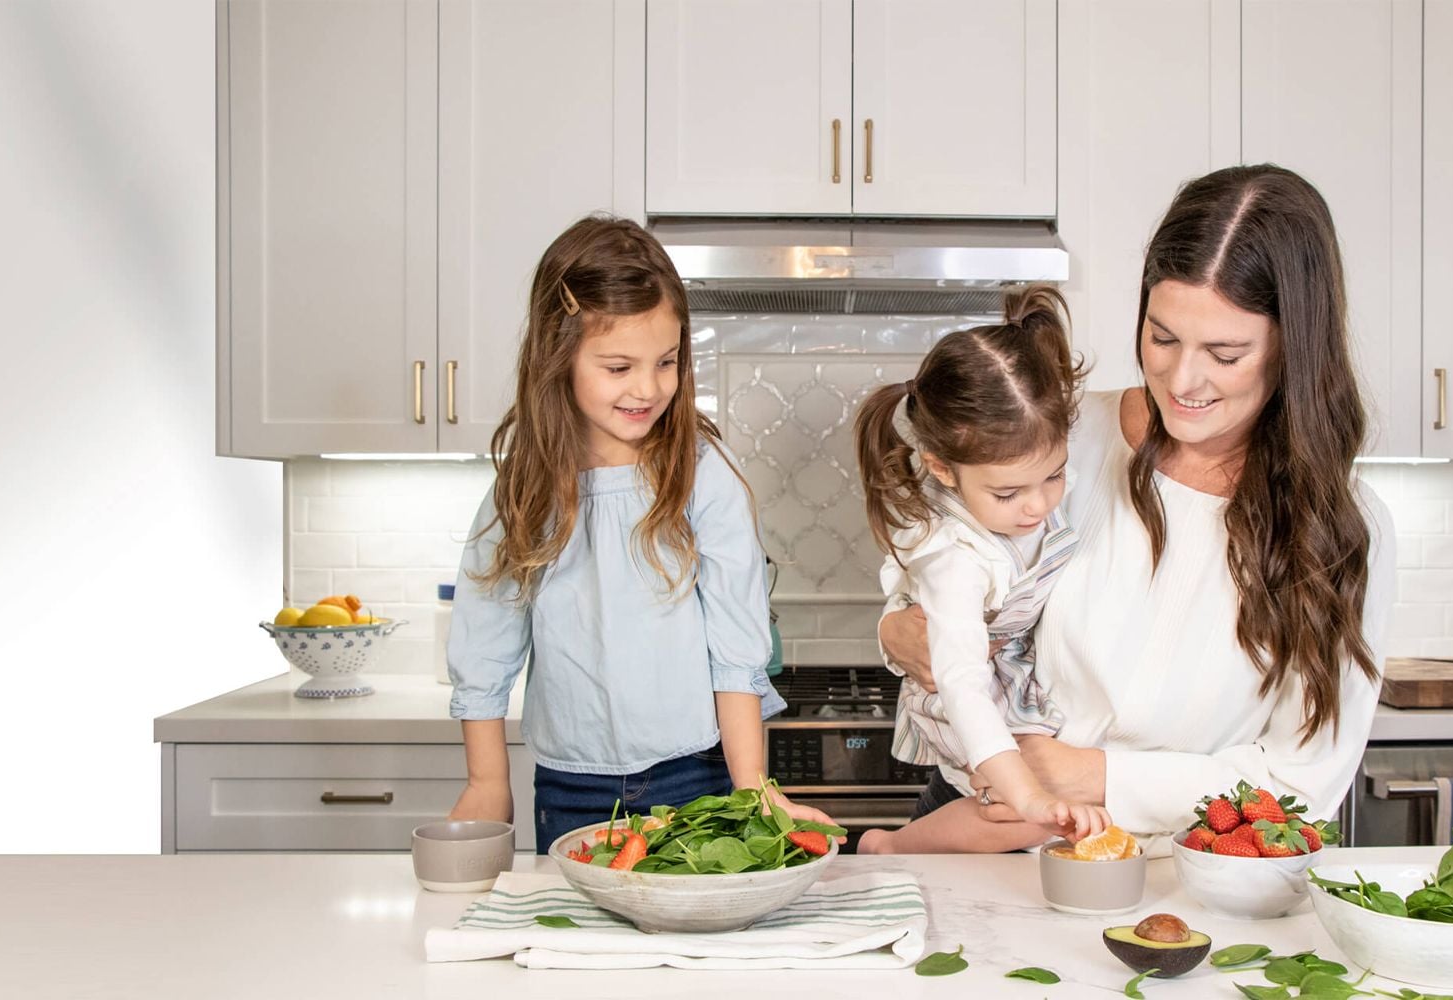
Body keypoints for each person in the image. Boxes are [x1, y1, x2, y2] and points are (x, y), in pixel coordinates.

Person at [878, 164, 1396, 849]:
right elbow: (943, 565)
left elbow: (1304, 784)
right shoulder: (1063, 438)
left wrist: (1089, 775)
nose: (1183, 380)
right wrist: (896, 632)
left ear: (1293, 346)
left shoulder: (1344, 528)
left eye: (1225, 352)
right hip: (984, 836)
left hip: (1180, 875)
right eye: (1162, 337)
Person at [444, 214, 833, 851]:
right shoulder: (524, 489)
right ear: (558, 357)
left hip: (698, 778)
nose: (648, 388)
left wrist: (755, 789)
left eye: (667, 361)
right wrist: (487, 779)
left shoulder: (704, 479)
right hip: (569, 787)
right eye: (619, 366)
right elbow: (485, 640)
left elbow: (736, 651)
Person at [852, 286, 1112, 854]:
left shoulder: (1026, 471)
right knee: (1017, 812)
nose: (1038, 506)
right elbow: (963, 684)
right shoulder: (954, 558)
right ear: (943, 470)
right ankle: (890, 847)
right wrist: (1028, 796)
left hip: (1006, 679)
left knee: (1030, 807)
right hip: (959, 690)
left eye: (1054, 476)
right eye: (1008, 492)